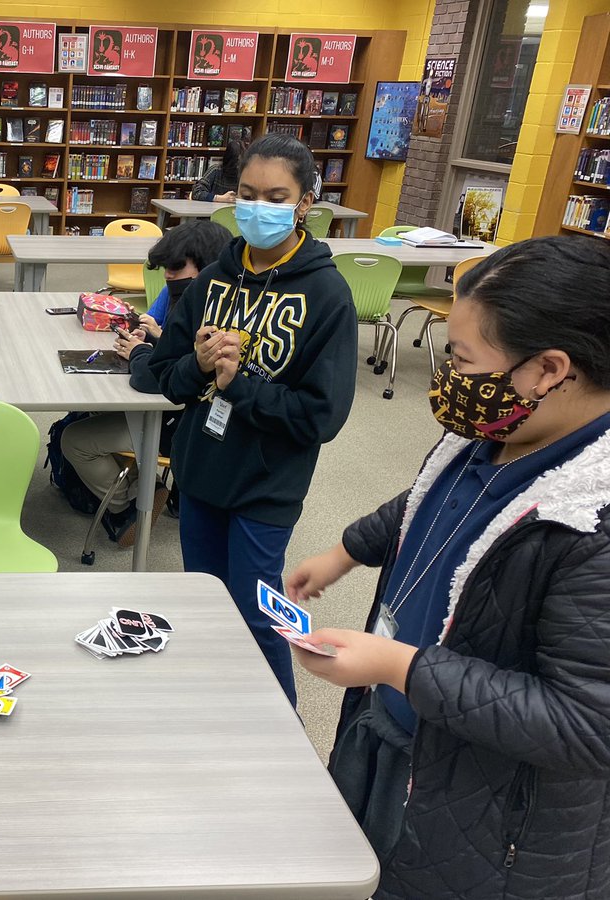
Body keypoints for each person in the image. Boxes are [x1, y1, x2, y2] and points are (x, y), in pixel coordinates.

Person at [286, 235, 610, 898]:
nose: (447, 379)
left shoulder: (592, 522)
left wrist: (396, 666)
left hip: (484, 809)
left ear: (548, 370)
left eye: (461, 359)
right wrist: (347, 549)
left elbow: (586, 724)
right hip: (396, 724)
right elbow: (431, 501)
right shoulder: (500, 426)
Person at [148, 133, 358, 705]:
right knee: (206, 604)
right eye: (247, 193)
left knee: (260, 614)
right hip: (201, 472)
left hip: (267, 485)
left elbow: (322, 416)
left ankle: (281, 721)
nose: (258, 207)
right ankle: (217, 705)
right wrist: (197, 366)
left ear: (305, 203)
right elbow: (165, 374)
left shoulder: (326, 294)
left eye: (275, 195)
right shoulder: (214, 277)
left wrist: (237, 386)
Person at [60, 220, 231, 546]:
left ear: (206, 266)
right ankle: (146, 487)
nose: (167, 274)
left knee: (74, 440)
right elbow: (161, 341)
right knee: (88, 411)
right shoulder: (179, 291)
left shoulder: (208, 311)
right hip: (166, 409)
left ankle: (126, 506)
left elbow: (152, 378)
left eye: (176, 266)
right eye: (165, 266)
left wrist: (142, 351)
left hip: (177, 423)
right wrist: (147, 335)